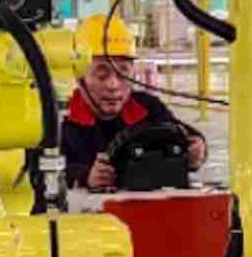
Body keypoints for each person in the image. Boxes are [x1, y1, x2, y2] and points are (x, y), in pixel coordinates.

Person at [59, 11, 207, 191]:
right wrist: (85, 176)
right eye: (102, 75)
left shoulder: (147, 107)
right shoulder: (61, 119)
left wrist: (196, 151)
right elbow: (38, 168)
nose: (113, 85)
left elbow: (184, 134)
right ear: (79, 77)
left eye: (123, 74)